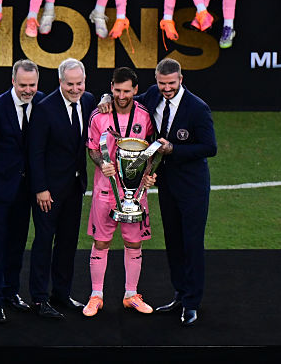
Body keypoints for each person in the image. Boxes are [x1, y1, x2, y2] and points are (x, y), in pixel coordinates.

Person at [140, 57, 217, 327]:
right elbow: (130, 102)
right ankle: (179, 294)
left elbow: (210, 147)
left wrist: (174, 149)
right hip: (166, 184)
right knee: (173, 241)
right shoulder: (152, 95)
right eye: (162, 83)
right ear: (156, 80)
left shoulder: (197, 108)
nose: (166, 88)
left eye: (171, 83)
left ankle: (192, 303)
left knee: (191, 243)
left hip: (193, 187)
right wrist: (107, 98)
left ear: (181, 80)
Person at [0, 59, 44, 323]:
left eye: (32, 85)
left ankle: (11, 292)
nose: (28, 90)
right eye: (23, 85)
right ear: (13, 81)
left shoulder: (42, 102)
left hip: (26, 192)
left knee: (16, 245)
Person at [82, 66, 157, 317]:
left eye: (126, 91)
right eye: (117, 90)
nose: (121, 96)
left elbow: (151, 150)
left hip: (135, 192)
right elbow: (93, 148)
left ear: (136, 90)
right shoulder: (98, 115)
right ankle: (96, 295)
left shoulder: (145, 116)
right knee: (101, 241)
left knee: (134, 242)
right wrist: (101, 163)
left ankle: (131, 295)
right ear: (111, 88)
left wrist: (148, 174)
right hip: (106, 188)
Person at [27, 57, 95, 319]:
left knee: (68, 242)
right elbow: (35, 152)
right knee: (44, 242)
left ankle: (62, 293)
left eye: (79, 84)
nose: (75, 89)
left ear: (84, 81)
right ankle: (39, 299)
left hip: (75, 187)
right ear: (60, 82)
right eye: (70, 84)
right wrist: (41, 188)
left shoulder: (88, 101)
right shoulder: (44, 108)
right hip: (49, 191)